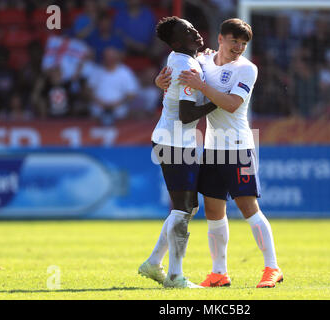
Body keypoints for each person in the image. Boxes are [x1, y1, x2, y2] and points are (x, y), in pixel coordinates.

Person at [156, 18, 284, 288]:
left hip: (239, 147)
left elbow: (231, 104)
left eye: (244, 43)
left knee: (249, 209)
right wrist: (160, 80)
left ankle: (272, 267)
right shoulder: (203, 61)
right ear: (220, 39)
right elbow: (177, 73)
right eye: (234, 41)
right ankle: (219, 272)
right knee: (214, 213)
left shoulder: (247, 69)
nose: (238, 47)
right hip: (213, 148)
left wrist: (202, 87)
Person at [138, 16, 218, 289]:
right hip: (175, 142)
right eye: (187, 30)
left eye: (193, 26)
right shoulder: (184, 63)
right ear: (176, 42)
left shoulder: (181, 57)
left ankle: (154, 263)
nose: (195, 30)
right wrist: (217, 101)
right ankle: (174, 275)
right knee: (183, 209)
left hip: (177, 141)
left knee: (187, 208)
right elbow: (186, 114)